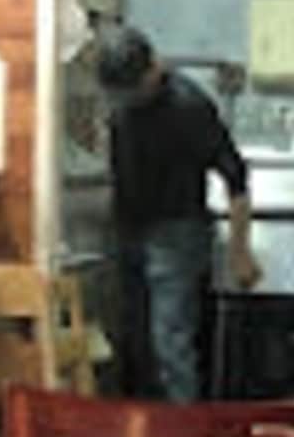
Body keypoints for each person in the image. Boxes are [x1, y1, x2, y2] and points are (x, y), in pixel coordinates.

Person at [91, 24, 257, 403]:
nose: (127, 100)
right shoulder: (121, 102)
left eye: (133, 90)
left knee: (170, 343)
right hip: (128, 226)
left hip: (178, 233)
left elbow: (236, 176)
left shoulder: (189, 106)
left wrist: (240, 251)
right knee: (132, 339)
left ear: (153, 69)